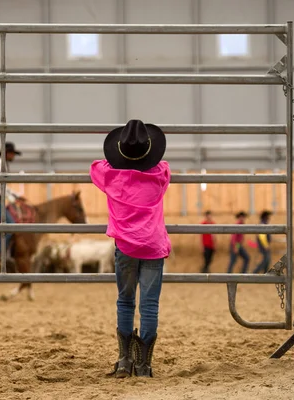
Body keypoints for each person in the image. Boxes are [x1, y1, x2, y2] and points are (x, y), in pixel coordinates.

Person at [90, 119, 170, 379]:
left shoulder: (111, 177)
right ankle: (144, 366)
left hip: (125, 246)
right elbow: (164, 165)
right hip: (154, 246)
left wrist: (117, 161)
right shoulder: (159, 175)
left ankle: (124, 361)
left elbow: (96, 166)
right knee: (149, 305)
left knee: (125, 301)